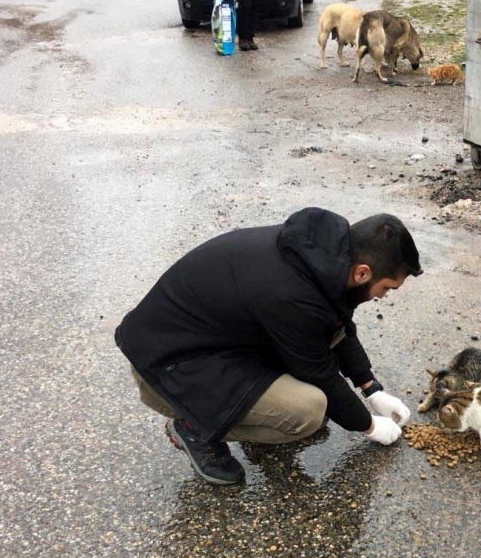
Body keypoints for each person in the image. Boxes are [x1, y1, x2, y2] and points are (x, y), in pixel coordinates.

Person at [115, 207, 423, 485]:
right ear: (363, 273)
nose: (383, 296)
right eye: (387, 288)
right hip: (167, 367)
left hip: (208, 342)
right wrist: (368, 425)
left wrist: (372, 388)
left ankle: (246, 411)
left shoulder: (324, 257)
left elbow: (335, 326)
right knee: (308, 410)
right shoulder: (292, 295)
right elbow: (319, 372)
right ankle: (193, 427)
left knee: (317, 381)